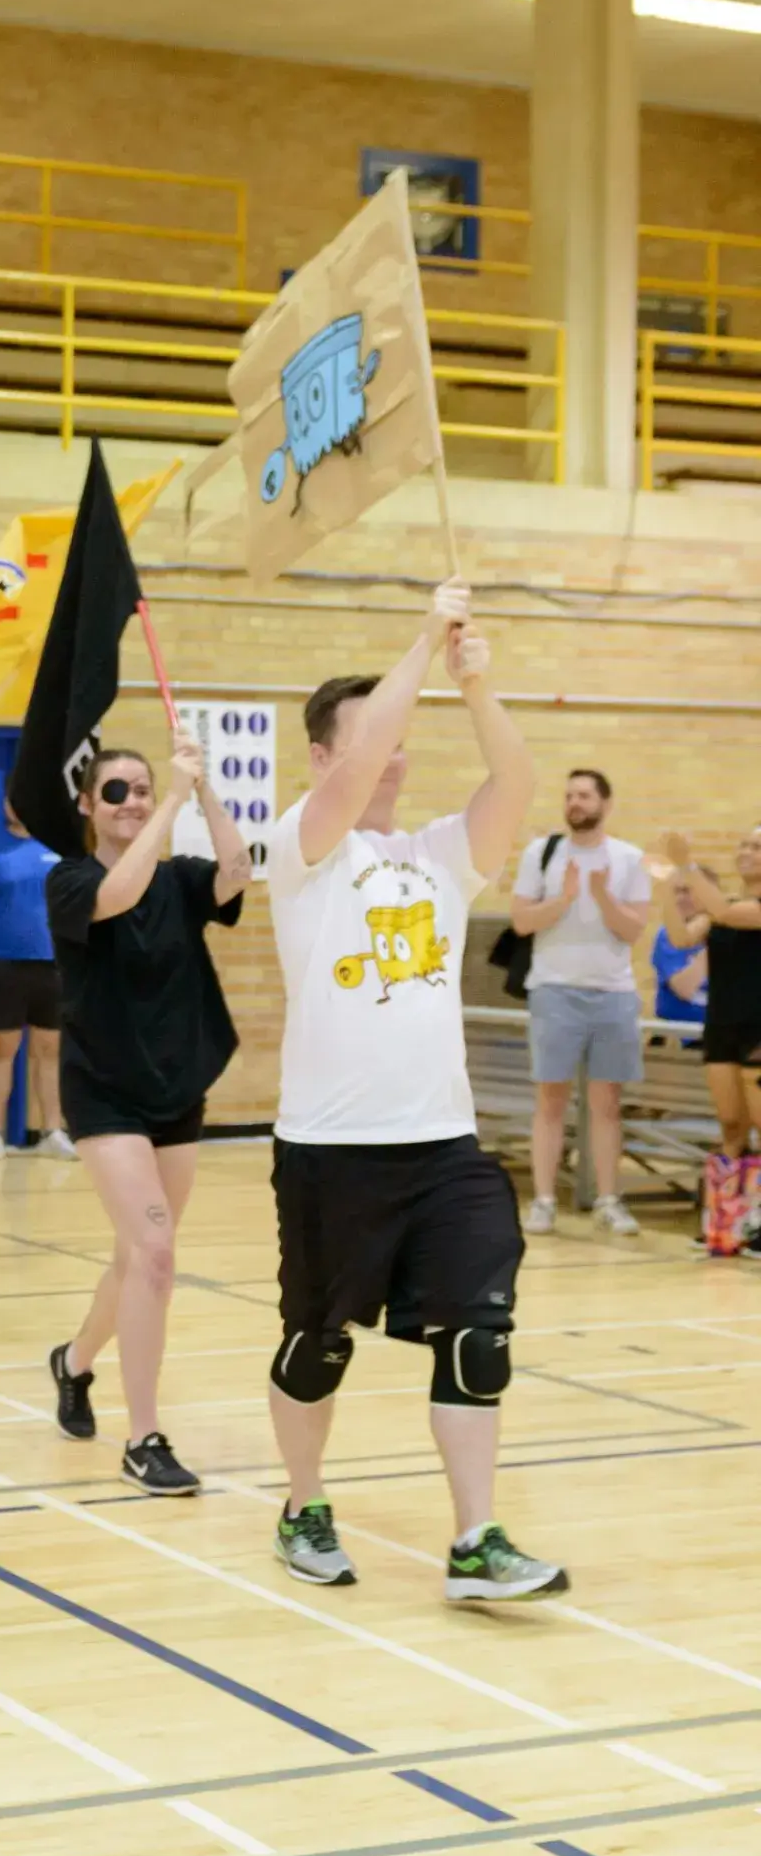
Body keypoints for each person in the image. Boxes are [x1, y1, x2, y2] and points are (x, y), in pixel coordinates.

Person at [263, 581, 567, 1604]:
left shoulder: (437, 856)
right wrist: (421, 638)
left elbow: (517, 783)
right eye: (372, 741)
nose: (395, 756)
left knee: (479, 1338)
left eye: (401, 743)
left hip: (443, 1147)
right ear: (321, 756)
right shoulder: (303, 846)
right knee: (318, 1342)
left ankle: (474, 1540)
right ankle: (304, 1503)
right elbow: (353, 776)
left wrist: (475, 686)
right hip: (330, 1151)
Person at [44, 736, 251, 1493]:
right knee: (157, 1251)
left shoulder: (180, 880)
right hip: (104, 1089)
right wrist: (169, 797)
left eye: (139, 789)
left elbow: (236, 875)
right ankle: (144, 1437)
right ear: (87, 806)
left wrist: (204, 794)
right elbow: (118, 896)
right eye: (116, 792)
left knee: (138, 1256)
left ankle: (73, 1361)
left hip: (176, 1085)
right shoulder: (68, 880)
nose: (130, 800)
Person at [509, 767, 652, 1238]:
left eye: (585, 796)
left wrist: (602, 896)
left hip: (612, 992)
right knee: (550, 1098)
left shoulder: (629, 858)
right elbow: (522, 922)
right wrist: (566, 898)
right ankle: (545, 1201)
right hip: (553, 989)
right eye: (570, 795)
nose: (575, 803)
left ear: (605, 804)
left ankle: (609, 1200)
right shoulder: (541, 853)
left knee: (606, 1102)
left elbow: (633, 930)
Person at [659, 826, 761, 1252]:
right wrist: (665, 886)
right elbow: (683, 935)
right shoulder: (726, 906)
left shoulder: (741, 908)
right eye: (744, 844)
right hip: (722, 1024)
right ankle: (725, 1222)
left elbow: (721, 909)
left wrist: (687, 864)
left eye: (757, 847)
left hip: (760, 1025)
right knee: (731, 1125)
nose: (747, 852)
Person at [0, 798, 72, 1160]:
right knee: (1, 1049)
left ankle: (53, 1130)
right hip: (3, 967)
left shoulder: (60, 848)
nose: (17, 805)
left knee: (49, 1050)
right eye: (11, 798)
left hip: (53, 965)